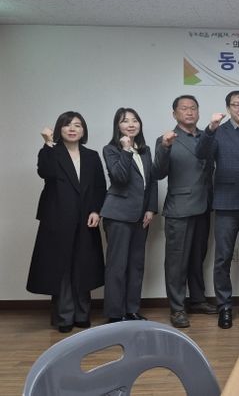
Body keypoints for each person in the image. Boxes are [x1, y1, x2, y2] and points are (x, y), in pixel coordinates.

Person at [27, 112, 106, 333]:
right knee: (61, 267)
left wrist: (96, 210)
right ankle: (64, 317)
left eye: (77, 125)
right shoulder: (51, 152)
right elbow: (45, 172)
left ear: (83, 130)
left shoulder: (92, 156)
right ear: (59, 129)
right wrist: (47, 143)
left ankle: (82, 314)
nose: (72, 129)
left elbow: (100, 186)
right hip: (57, 219)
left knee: (83, 265)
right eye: (67, 125)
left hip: (85, 219)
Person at [196, 90, 239, 329]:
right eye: (236, 105)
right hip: (226, 203)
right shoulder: (218, 131)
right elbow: (201, 153)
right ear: (228, 109)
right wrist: (210, 129)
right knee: (223, 257)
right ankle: (224, 305)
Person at [153, 95, 216, 328]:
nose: (189, 112)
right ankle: (177, 308)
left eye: (193, 108)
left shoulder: (207, 136)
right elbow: (158, 173)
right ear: (174, 114)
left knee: (198, 257)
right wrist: (165, 147)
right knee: (176, 261)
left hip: (204, 205)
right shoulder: (167, 139)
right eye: (184, 108)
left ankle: (197, 300)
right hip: (179, 209)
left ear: (198, 112)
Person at [101, 108, 158, 323]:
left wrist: (150, 208)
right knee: (117, 266)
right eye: (125, 121)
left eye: (135, 120)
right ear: (118, 126)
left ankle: (132, 309)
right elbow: (120, 178)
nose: (131, 124)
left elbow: (152, 181)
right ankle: (115, 314)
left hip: (141, 216)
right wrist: (125, 150)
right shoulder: (111, 149)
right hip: (118, 215)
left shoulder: (145, 150)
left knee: (136, 264)